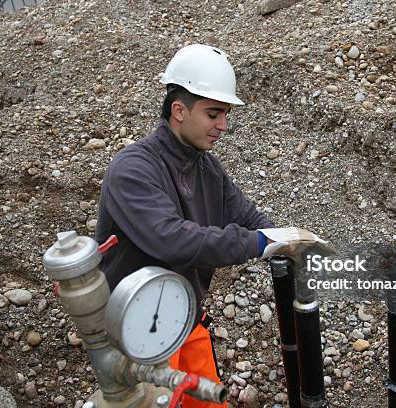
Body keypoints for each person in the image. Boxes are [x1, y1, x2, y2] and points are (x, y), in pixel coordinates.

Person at [95, 44, 274, 408]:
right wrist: (256, 243)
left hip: (184, 316)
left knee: (208, 402)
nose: (223, 126)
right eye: (213, 114)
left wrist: (284, 240)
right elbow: (172, 239)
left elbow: (246, 215)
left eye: (225, 114)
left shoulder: (206, 167)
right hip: (136, 330)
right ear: (179, 110)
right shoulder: (132, 169)